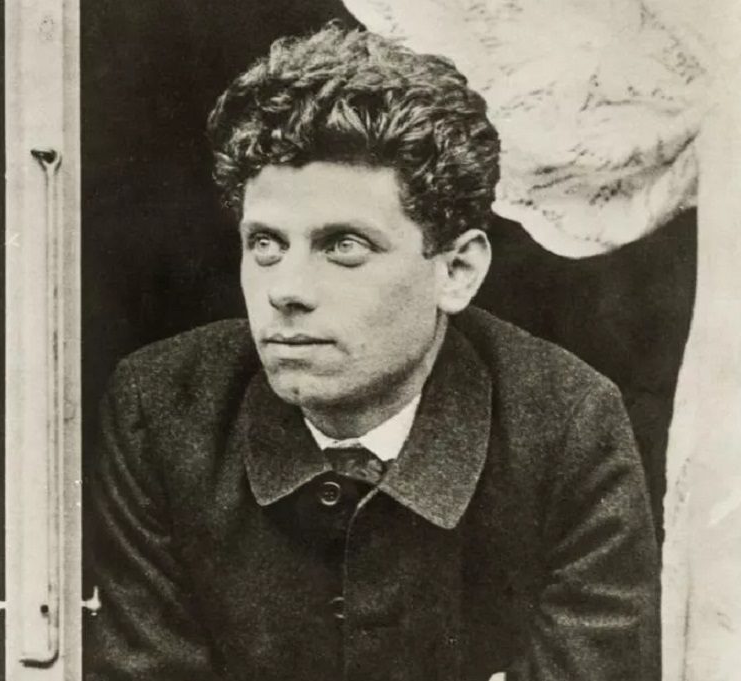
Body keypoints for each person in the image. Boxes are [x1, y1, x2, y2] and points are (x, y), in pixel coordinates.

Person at [85, 22, 659, 681]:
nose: (286, 290)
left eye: (343, 246)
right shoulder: (163, 409)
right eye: (266, 243)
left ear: (456, 270)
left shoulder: (566, 425)